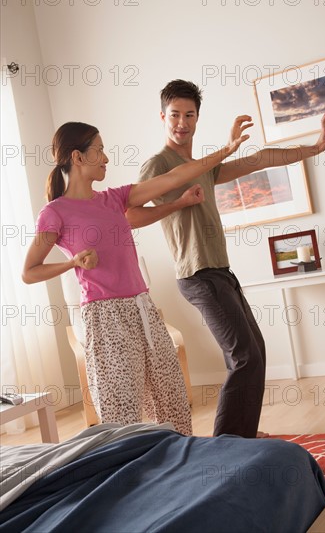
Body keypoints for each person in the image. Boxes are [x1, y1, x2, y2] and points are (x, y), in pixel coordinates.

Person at [126, 79, 325, 439]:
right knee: (245, 357)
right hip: (197, 274)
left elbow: (258, 160)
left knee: (255, 352)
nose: (182, 122)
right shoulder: (156, 164)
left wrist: (313, 149)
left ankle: (242, 437)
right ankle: (226, 444)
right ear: (162, 117)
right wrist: (178, 203)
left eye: (189, 115)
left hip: (220, 271)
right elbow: (130, 213)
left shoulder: (202, 165)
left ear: (197, 118)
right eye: (174, 114)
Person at [22, 121, 249, 436]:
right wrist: (73, 262)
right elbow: (29, 272)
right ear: (77, 157)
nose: (106, 158)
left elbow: (173, 177)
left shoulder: (113, 199)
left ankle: (178, 466)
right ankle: (127, 474)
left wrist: (223, 153)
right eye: (99, 150)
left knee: (172, 400)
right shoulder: (55, 212)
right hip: (105, 317)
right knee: (121, 413)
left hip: (143, 308)